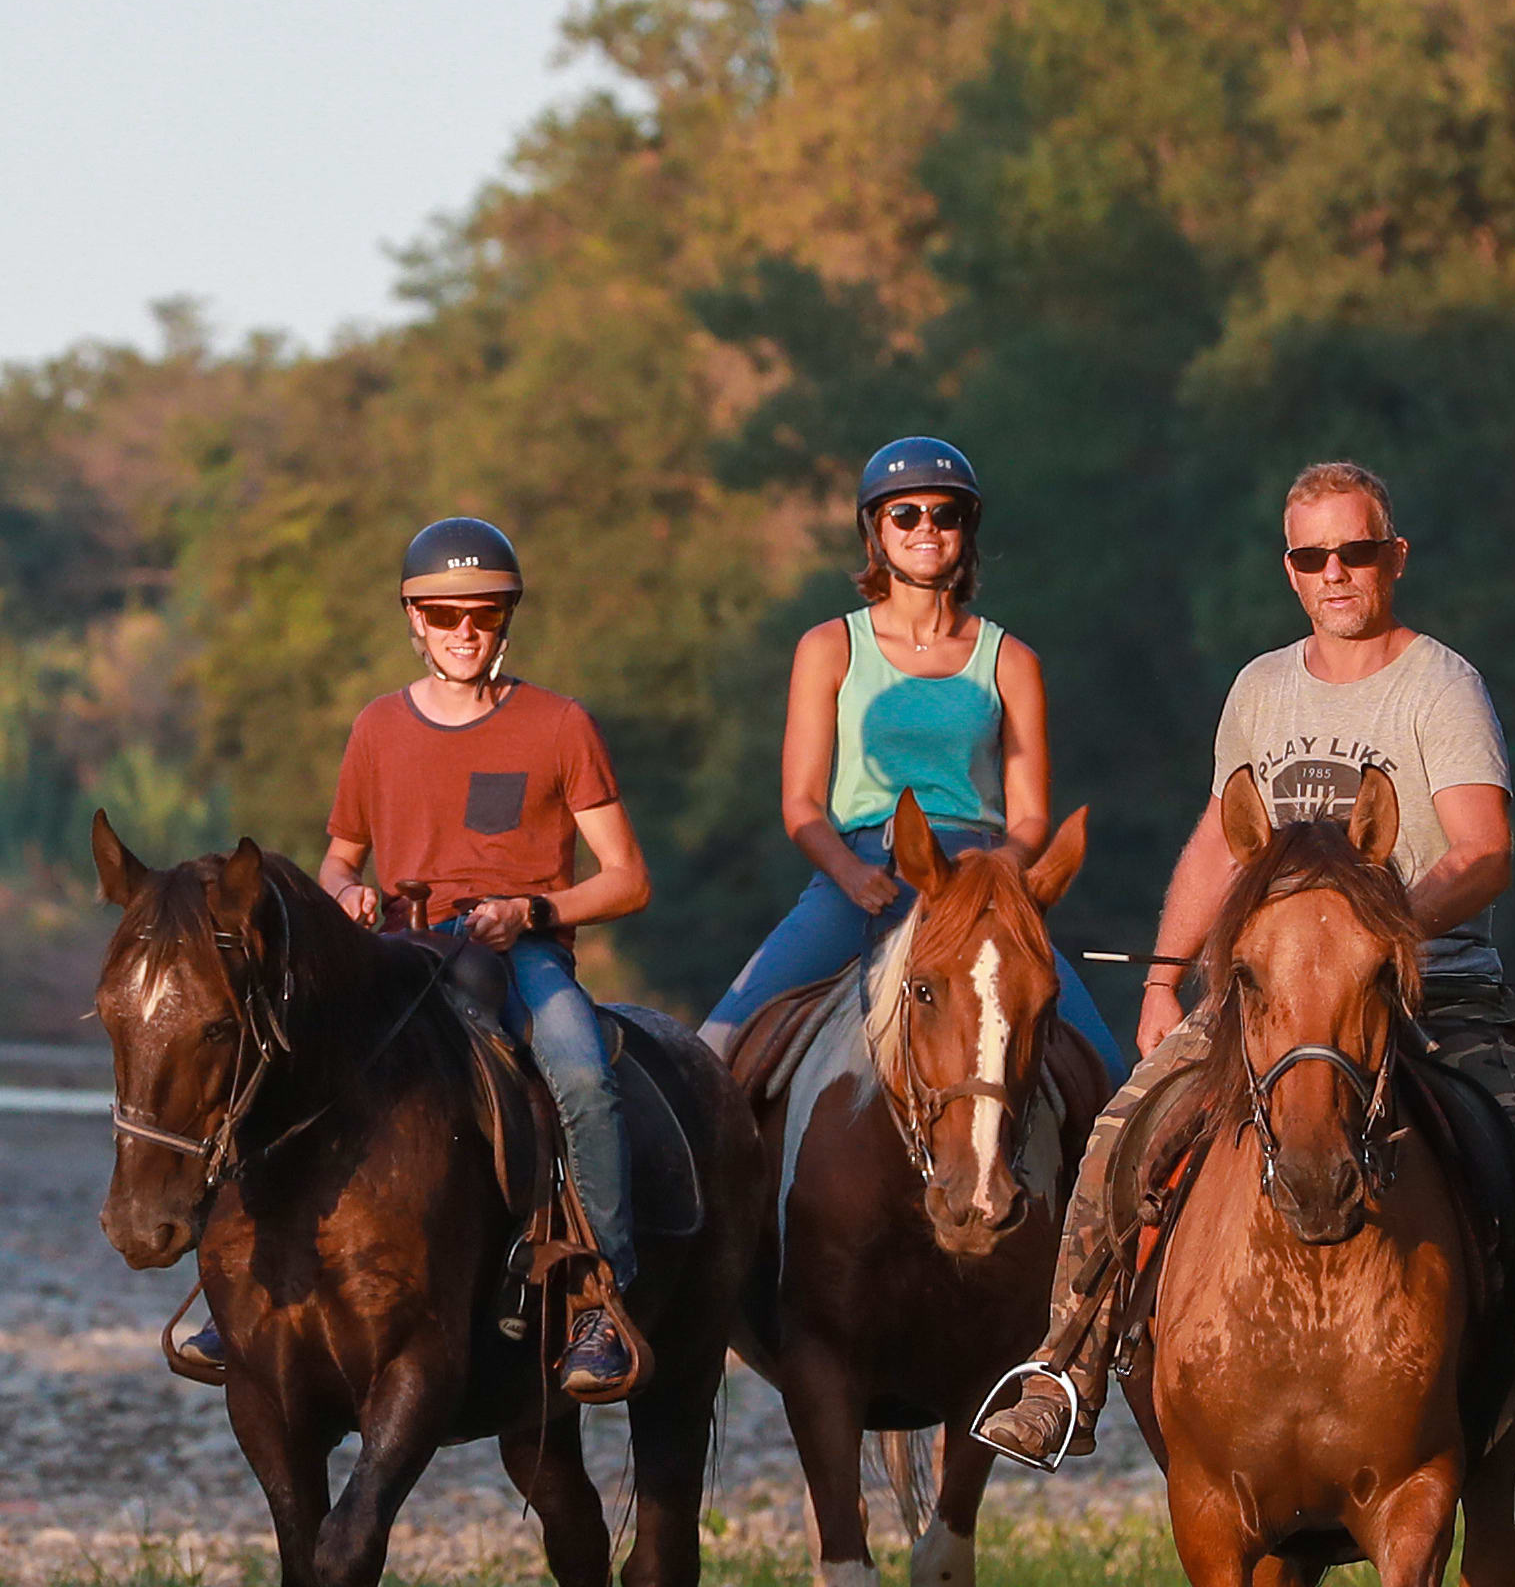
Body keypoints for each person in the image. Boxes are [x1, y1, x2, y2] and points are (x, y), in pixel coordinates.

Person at [965, 459, 1515, 1529]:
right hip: (1266, 1001)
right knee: (1123, 1130)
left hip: (1417, 988)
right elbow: (1226, 850)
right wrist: (1168, 979)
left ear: (1392, 557)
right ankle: (1065, 1365)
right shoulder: (1261, 691)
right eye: (1313, 556)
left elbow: (1484, 852)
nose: (1336, 573)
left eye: (1356, 551)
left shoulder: (1437, 684)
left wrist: (1373, 934)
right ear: (1290, 569)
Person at [309, 514, 657, 1405]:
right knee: (285, 1051)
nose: (467, 633)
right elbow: (341, 857)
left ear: (506, 621)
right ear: (413, 620)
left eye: (486, 616)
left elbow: (625, 879)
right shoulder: (376, 728)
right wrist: (345, 893)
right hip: (401, 946)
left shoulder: (558, 724)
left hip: (520, 951)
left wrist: (533, 908)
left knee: (580, 1068)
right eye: (447, 615)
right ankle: (241, 1276)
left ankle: (598, 1294)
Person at [696, 436, 1120, 1078]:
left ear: (965, 530)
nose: (927, 528)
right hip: (863, 874)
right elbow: (802, 804)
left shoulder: (1011, 660)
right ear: (876, 531)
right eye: (906, 514)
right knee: (713, 1054)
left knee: (1106, 1071)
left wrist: (995, 873)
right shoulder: (828, 647)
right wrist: (846, 872)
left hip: (979, 884)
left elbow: (1031, 815)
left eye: (945, 514)